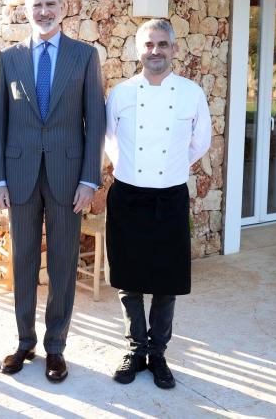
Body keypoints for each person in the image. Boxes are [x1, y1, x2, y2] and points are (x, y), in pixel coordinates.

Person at [0, 0, 106, 382]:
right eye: (36, 5)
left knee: (62, 263)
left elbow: (95, 121)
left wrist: (89, 179)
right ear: (26, 10)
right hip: (19, 176)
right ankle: (25, 342)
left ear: (63, 6)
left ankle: (56, 347)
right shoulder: (8, 58)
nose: (44, 12)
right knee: (22, 261)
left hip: (68, 178)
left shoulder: (84, 56)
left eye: (50, 4)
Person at [105, 19, 211, 389]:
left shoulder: (191, 93)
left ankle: (158, 353)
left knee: (167, 282)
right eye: (149, 45)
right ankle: (135, 350)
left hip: (170, 196)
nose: (155, 51)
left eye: (163, 44)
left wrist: (171, 168)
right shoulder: (120, 93)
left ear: (174, 49)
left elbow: (200, 142)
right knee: (128, 281)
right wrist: (131, 169)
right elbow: (109, 140)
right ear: (138, 50)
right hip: (128, 195)